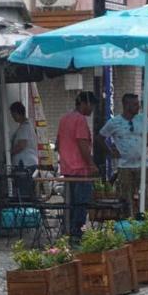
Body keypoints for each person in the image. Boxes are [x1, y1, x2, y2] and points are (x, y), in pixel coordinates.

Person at [98, 93, 148, 217]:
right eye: (135, 104)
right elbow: (100, 138)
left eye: (138, 103)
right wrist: (110, 151)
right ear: (126, 105)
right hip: (124, 166)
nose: (138, 106)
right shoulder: (114, 122)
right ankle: (127, 223)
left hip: (144, 165)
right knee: (125, 198)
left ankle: (147, 221)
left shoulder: (144, 119)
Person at [57, 91, 98, 238]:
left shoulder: (64, 119)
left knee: (69, 205)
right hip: (80, 170)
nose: (92, 110)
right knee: (80, 205)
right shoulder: (80, 120)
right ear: (85, 103)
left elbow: (57, 143)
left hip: (67, 169)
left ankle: (66, 232)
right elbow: (82, 144)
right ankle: (76, 235)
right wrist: (91, 164)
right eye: (91, 105)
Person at [9, 101, 39, 169]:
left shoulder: (25, 127)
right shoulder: (25, 126)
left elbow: (21, 145)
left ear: (17, 113)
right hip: (27, 163)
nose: (12, 117)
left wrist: (9, 153)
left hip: (25, 164)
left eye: (13, 114)